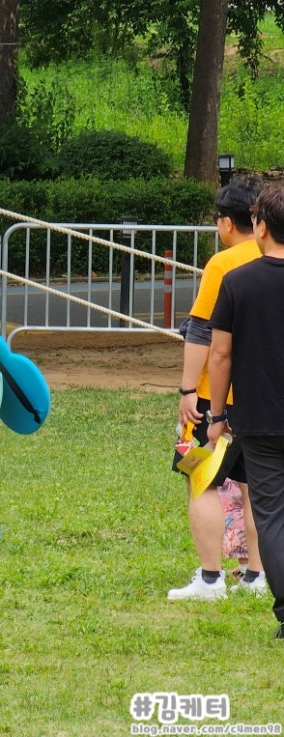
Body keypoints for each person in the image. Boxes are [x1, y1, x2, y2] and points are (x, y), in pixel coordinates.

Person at [169, 177, 266, 600]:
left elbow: (201, 331)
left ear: (227, 222)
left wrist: (188, 390)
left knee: (201, 480)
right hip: (260, 395)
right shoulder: (274, 257)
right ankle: (257, 576)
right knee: (256, 487)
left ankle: (210, 579)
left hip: (215, 395)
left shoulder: (222, 264)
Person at [208, 185, 284, 640]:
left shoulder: (236, 282)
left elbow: (220, 356)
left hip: (257, 416)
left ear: (260, 226)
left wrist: (217, 415)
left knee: (272, 515)